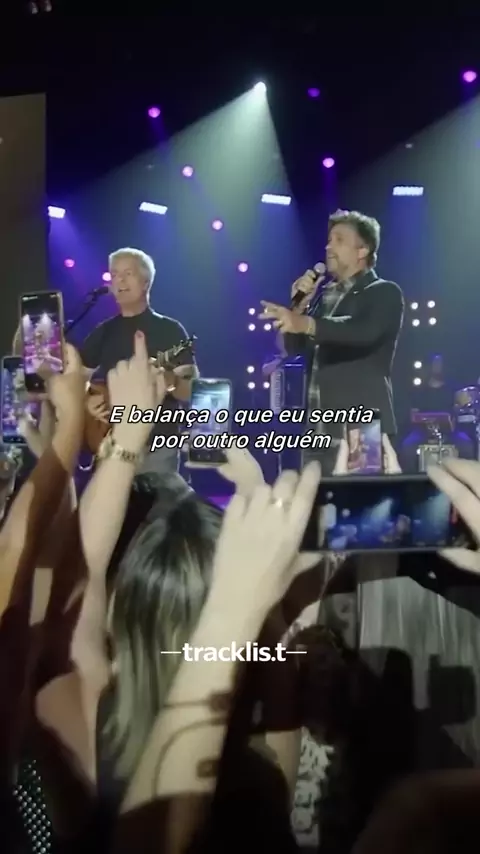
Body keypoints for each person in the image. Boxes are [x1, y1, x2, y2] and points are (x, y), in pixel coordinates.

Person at [259, 210, 404, 474]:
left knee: (359, 500)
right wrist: (299, 308)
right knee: (314, 500)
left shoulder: (384, 292)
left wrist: (306, 323)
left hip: (362, 430)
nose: (328, 247)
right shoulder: (323, 299)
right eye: (328, 240)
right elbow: (292, 348)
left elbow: (363, 332)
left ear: (362, 250)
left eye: (339, 240)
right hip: (318, 432)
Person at [80, 247, 198, 478]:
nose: (119, 280)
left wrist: (171, 381)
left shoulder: (170, 330)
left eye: (128, 273)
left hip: (157, 448)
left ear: (145, 282)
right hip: (111, 445)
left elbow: (193, 391)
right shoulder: (103, 332)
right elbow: (76, 381)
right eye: (114, 274)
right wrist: (87, 401)